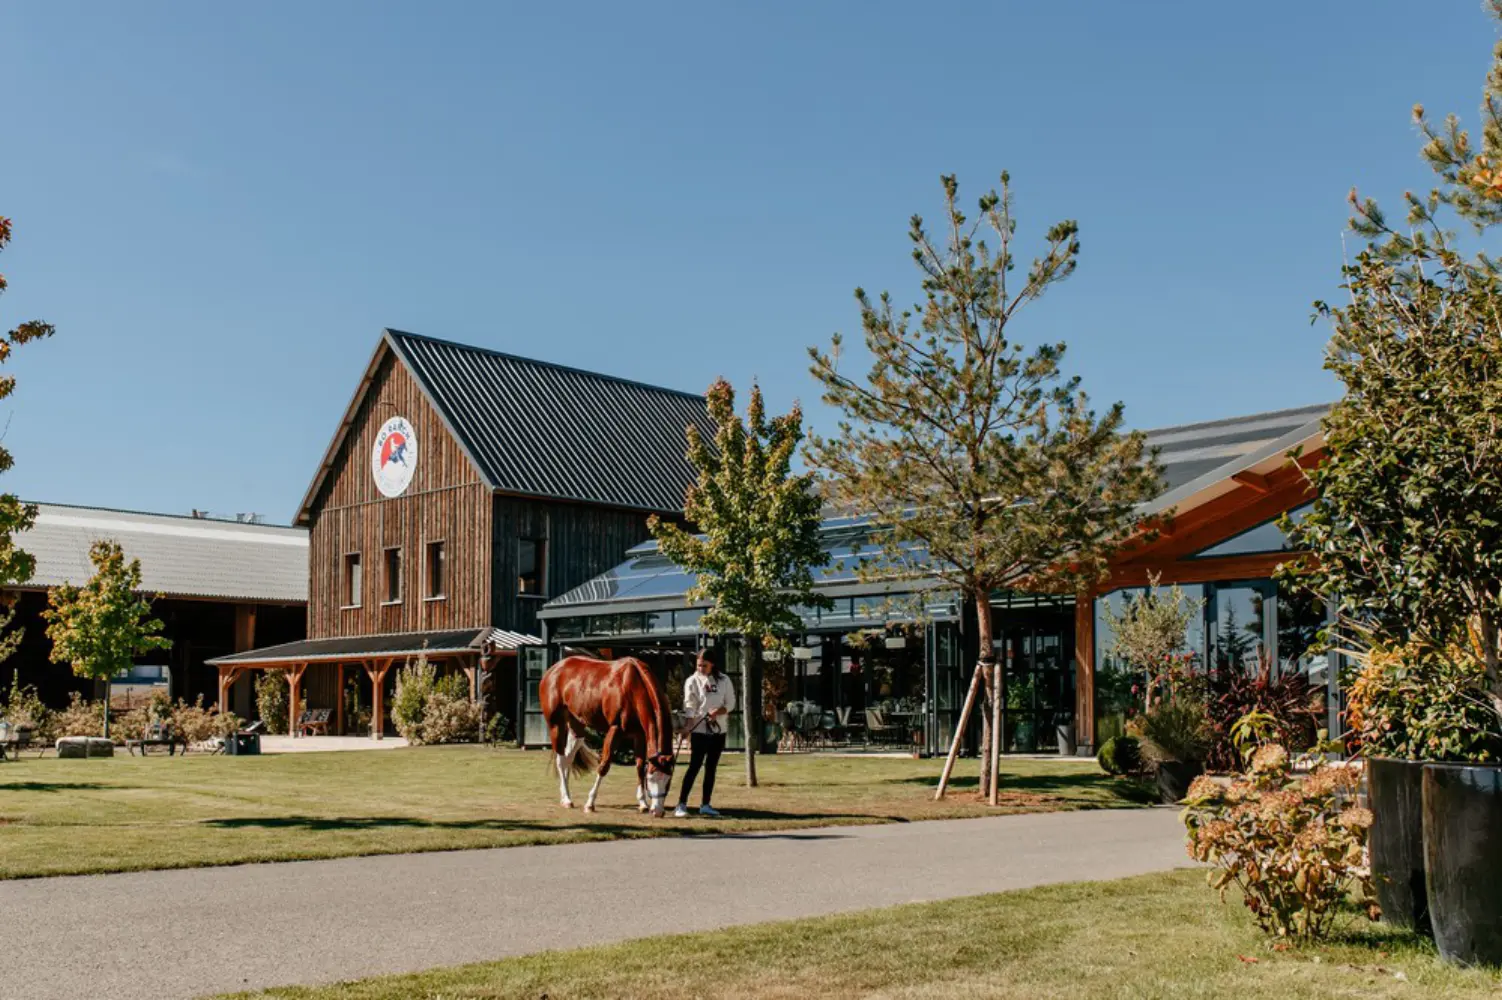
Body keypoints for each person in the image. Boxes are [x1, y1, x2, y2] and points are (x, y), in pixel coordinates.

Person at [675, 648, 736, 818]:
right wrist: (688, 727)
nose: (700, 668)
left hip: (718, 731)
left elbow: (730, 704)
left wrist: (718, 711)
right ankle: (681, 804)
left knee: (711, 768)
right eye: (698, 665)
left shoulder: (724, 680)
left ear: (712, 665)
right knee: (694, 767)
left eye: (704, 665)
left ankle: (706, 804)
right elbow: (690, 705)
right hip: (700, 731)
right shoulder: (691, 681)